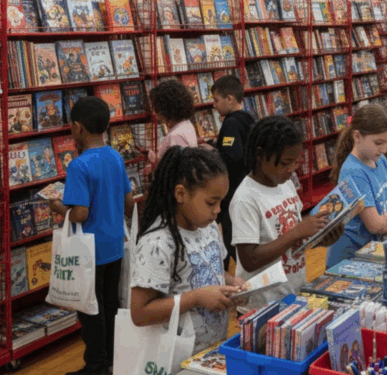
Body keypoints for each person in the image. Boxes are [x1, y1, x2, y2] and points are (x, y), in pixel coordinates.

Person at [130, 147, 245, 358]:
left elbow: (214, 272)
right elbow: (139, 313)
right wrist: (196, 298)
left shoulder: (209, 227)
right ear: (181, 194)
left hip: (211, 350)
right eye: (211, 202)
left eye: (221, 202)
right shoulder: (158, 242)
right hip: (175, 358)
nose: (218, 210)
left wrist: (231, 283)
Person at [48, 97, 135, 375]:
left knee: (89, 308)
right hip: (114, 245)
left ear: (78, 128)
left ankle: (95, 364)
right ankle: (111, 360)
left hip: (89, 251)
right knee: (110, 303)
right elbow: (129, 200)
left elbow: (80, 214)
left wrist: (59, 207)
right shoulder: (115, 156)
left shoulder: (78, 165)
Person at [231, 116, 341, 311]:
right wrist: (298, 232)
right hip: (261, 305)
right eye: (285, 163)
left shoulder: (286, 184)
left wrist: (322, 238)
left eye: (295, 164)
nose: (291, 170)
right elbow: (249, 260)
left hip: (293, 291)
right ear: (260, 154)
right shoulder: (245, 199)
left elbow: (293, 240)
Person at [327, 104, 387, 268]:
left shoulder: (380, 160)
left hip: (370, 251)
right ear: (357, 136)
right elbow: (374, 225)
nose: (384, 149)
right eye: (378, 142)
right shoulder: (353, 171)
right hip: (349, 257)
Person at [211, 75, 255, 271]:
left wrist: (213, 154)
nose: (214, 105)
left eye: (216, 100)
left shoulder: (230, 123)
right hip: (247, 186)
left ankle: (237, 276)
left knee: (231, 237)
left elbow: (231, 155)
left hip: (233, 190)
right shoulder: (248, 117)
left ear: (229, 99)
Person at [148, 80, 199, 163]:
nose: (154, 113)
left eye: (155, 108)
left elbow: (175, 169)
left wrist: (155, 161)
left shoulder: (175, 136)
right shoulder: (186, 123)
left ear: (164, 109)